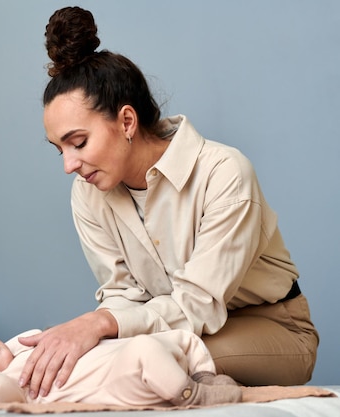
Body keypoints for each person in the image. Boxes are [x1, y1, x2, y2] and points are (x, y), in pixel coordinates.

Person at [17, 6, 319, 399]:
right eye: (60, 150)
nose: (69, 165)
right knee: (114, 359)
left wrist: (100, 326)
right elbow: (122, 294)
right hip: (176, 330)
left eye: (78, 143)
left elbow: (198, 304)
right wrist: (94, 330)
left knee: (144, 360)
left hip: (273, 325)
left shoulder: (224, 172)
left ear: (127, 122)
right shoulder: (88, 193)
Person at [0, 329, 242, 407]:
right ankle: (193, 395)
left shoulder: (21, 350)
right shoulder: (10, 385)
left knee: (182, 337)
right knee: (145, 348)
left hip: (121, 354)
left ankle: (205, 377)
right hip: (120, 377)